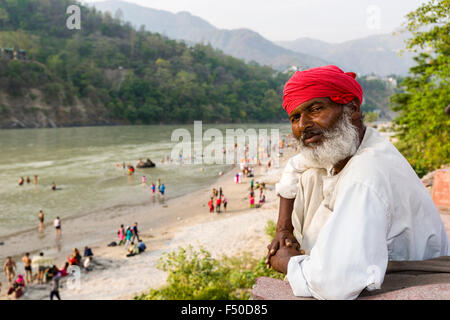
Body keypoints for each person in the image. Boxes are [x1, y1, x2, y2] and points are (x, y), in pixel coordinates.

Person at [266, 65, 449, 300]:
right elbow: (295, 166)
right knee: (310, 175)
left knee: (312, 177)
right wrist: (283, 229)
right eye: (295, 117)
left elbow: (335, 286)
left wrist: (286, 262)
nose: (302, 125)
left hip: (406, 274)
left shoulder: (366, 173)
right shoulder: (359, 145)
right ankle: (315, 257)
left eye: (315, 109)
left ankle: (312, 262)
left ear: (352, 108)